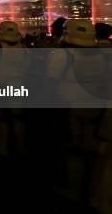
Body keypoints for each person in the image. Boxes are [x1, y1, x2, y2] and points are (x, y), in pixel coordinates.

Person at [47, 19, 108, 208]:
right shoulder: (104, 56)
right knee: (92, 152)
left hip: (70, 109)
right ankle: (93, 194)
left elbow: (50, 80)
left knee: (73, 150)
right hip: (97, 109)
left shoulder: (62, 55)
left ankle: (74, 192)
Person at [0, 21, 29, 155]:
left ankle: (2, 147)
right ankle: (21, 146)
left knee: (2, 119)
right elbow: (28, 66)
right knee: (19, 118)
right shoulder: (24, 48)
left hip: (1, 87)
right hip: (19, 86)